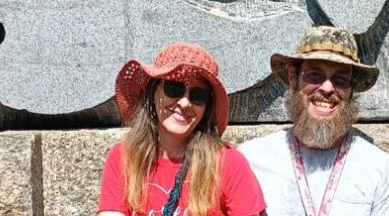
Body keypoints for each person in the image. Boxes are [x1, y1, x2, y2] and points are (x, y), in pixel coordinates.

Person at [239, 26, 389, 216]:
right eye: (315, 75)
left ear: (351, 89)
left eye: (340, 79)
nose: (327, 88)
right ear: (293, 78)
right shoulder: (251, 160)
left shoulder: (382, 171)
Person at [98, 42, 267, 216]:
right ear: (153, 93)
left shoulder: (228, 163)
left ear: (207, 108)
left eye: (197, 96)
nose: (185, 103)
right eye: (174, 88)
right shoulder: (124, 157)